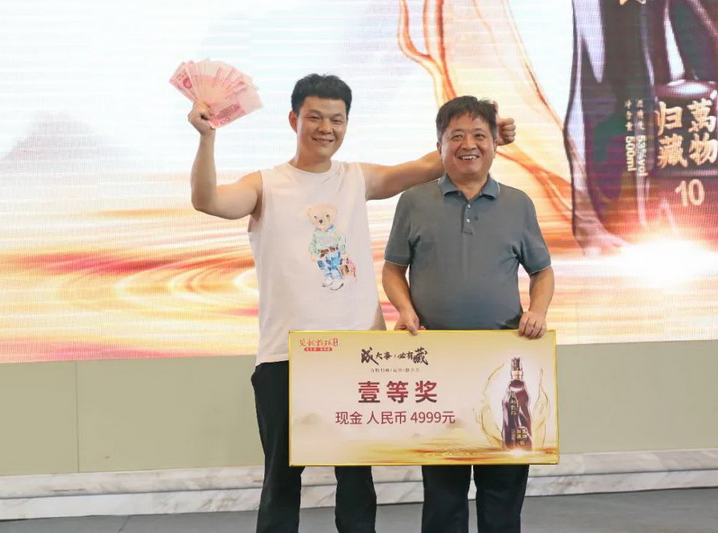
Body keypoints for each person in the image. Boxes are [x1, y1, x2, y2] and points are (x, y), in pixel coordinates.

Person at [187, 75, 516, 533]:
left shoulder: (356, 178)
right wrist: (207, 138)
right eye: (315, 118)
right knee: (281, 478)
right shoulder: (266, 184)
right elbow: (209, 201)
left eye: (337, 120)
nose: (326, 128)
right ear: (294, 120)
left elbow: (428, 164)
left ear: (346, 124)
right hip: (286, 355)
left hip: (357, 354)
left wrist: (484, 138)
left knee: (357, 479)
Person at [382, 95, 554, 533]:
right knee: (443, 492)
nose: (468, 144)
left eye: (479, 135)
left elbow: (542, 271)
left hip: (508, 366)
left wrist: (538, 310)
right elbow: (393, 269)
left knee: (503, 490)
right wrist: (404, 309)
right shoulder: (414, 201)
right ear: (439, 145)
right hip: (436, 366)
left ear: (495, 143)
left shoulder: (518, 203)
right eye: (456, 135)